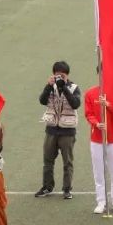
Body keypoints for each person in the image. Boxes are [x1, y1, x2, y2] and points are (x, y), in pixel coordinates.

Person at [36, 61, 81, 199]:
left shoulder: (74, 88)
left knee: (68, 162)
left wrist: (64, 88)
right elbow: (42, 101)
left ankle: (67, 189)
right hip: (51, 129)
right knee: (48, 160)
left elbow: (75, 104)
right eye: (57, 75)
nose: (60, 78)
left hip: (67, 131)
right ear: (53, 74)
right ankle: (47, 186)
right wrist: (48, 86)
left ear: (67, 75)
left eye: (62, 75)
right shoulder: (51, 86)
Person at [84, 80, 113, 215]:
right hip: (97, 139)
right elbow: (88, 114)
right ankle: (101, 201)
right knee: (98, 172)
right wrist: (96, 124)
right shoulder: (90, 93)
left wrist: (108, 105)